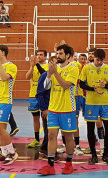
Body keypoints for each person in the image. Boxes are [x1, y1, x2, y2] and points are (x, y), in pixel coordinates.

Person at [38, 44, 78, 175]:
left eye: (61, 53)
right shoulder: (54, 68)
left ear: (68, 55)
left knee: (68, 137)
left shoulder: (73, 68)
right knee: (51, 135)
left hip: (67, 108)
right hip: (53, 108)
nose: (58, 56)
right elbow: (46, 86)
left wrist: (55, 72)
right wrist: (49, 74)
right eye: (57, 53)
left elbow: (66, 85)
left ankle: (69, 163)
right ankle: (50, 165)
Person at [80, 49, 108, 165]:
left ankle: (106, 155)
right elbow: (81, 84)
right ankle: (94, 155)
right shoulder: (86, 68)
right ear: (93, 58)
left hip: (105, 102)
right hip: (91, 102)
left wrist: (105, 85)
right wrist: (92, 88)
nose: (99, 62)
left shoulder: (107, 68)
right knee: (90, 128)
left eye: (101, 60)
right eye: (97, 60)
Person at [25, 50, 48, 148]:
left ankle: (46, 139)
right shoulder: (33, 66)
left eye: (41, 55)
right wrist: (31, 66)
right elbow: (27, 77)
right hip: (33, 95)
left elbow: (46, 75)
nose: (39, 56)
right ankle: (37, 139)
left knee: (44, 118)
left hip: (43, 96)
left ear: (45, 57)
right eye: (37, 55)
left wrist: (36, 65)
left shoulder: (47, 66)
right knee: (35, 118)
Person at [36, 56, 57, 156]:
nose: (53, 65)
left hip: (58, 108)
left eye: (55, 63)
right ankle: (50, 152)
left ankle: (44, 148)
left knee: (53, 131)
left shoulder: (60, 76)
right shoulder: (45, 75)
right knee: (49, 131)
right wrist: (44, 109)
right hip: (48, 108)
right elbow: (39, 93)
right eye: (51, 63)